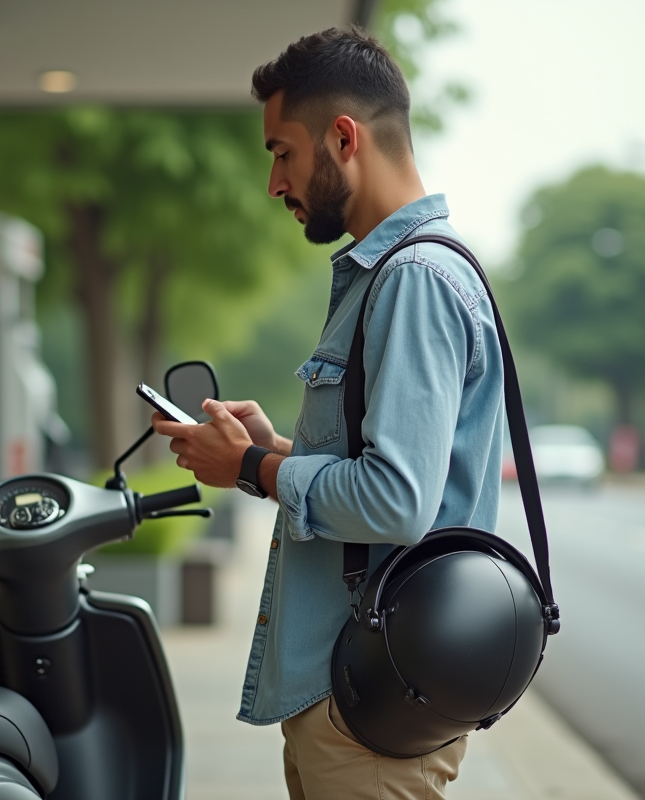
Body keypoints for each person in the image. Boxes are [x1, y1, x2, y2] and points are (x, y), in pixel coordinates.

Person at [150, 26, 506, 800]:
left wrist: (252, 466)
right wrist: (273, 446)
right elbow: (389, 469)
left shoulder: (414, 281)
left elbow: (398, 501)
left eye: (281, 151)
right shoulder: (395, 276)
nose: (274, 183)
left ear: (342, 138)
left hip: (370, 711)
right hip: (358, 697)